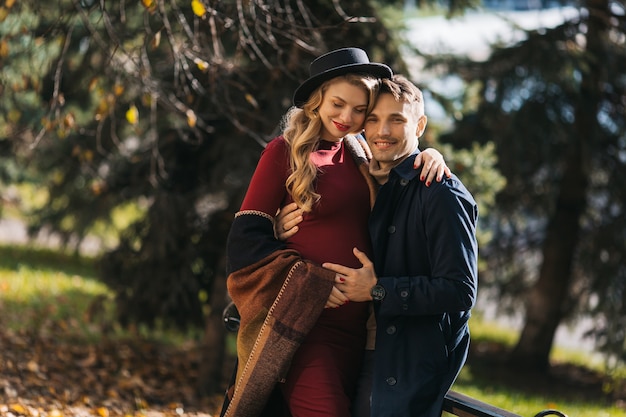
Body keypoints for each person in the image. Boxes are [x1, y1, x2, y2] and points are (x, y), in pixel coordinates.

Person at [221, 48, 450, 417]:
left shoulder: (360, 153)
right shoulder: (284, 152)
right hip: (305, 326)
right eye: (338, 104)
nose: (348, 117)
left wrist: (431, 154)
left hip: (358, 330)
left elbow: (401, 163)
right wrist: (309, 280)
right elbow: (246, 238)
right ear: (317, 101)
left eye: (360, 110)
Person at [277, 75, 478, 417]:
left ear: (419, 125)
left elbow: (460, 292)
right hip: (348, 342)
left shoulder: (441, 191)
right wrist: (282, 228)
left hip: (399, 362)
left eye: (397, 120)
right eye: (372, 119)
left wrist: (379, 290)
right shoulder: (366, 178)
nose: (382, 131)